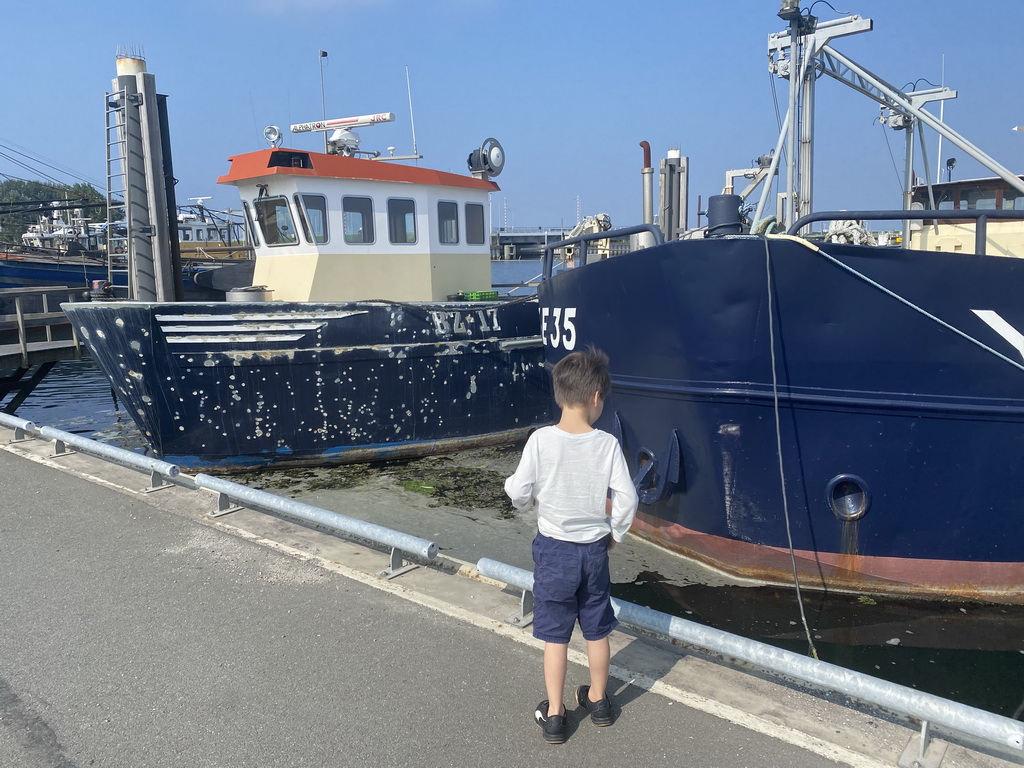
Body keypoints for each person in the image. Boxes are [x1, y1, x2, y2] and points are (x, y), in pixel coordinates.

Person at [504, 346, 638, 744]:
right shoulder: (608, 444)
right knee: (597, 628)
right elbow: (628, 499)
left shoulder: (541, 440)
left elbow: (519, 490)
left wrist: (527, 501)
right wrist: (615, 533)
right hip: (594, 550)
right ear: (597, 397)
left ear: (560, 394)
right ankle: (598, 702)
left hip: (554, 551)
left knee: (555, 634)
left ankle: (557, 715)